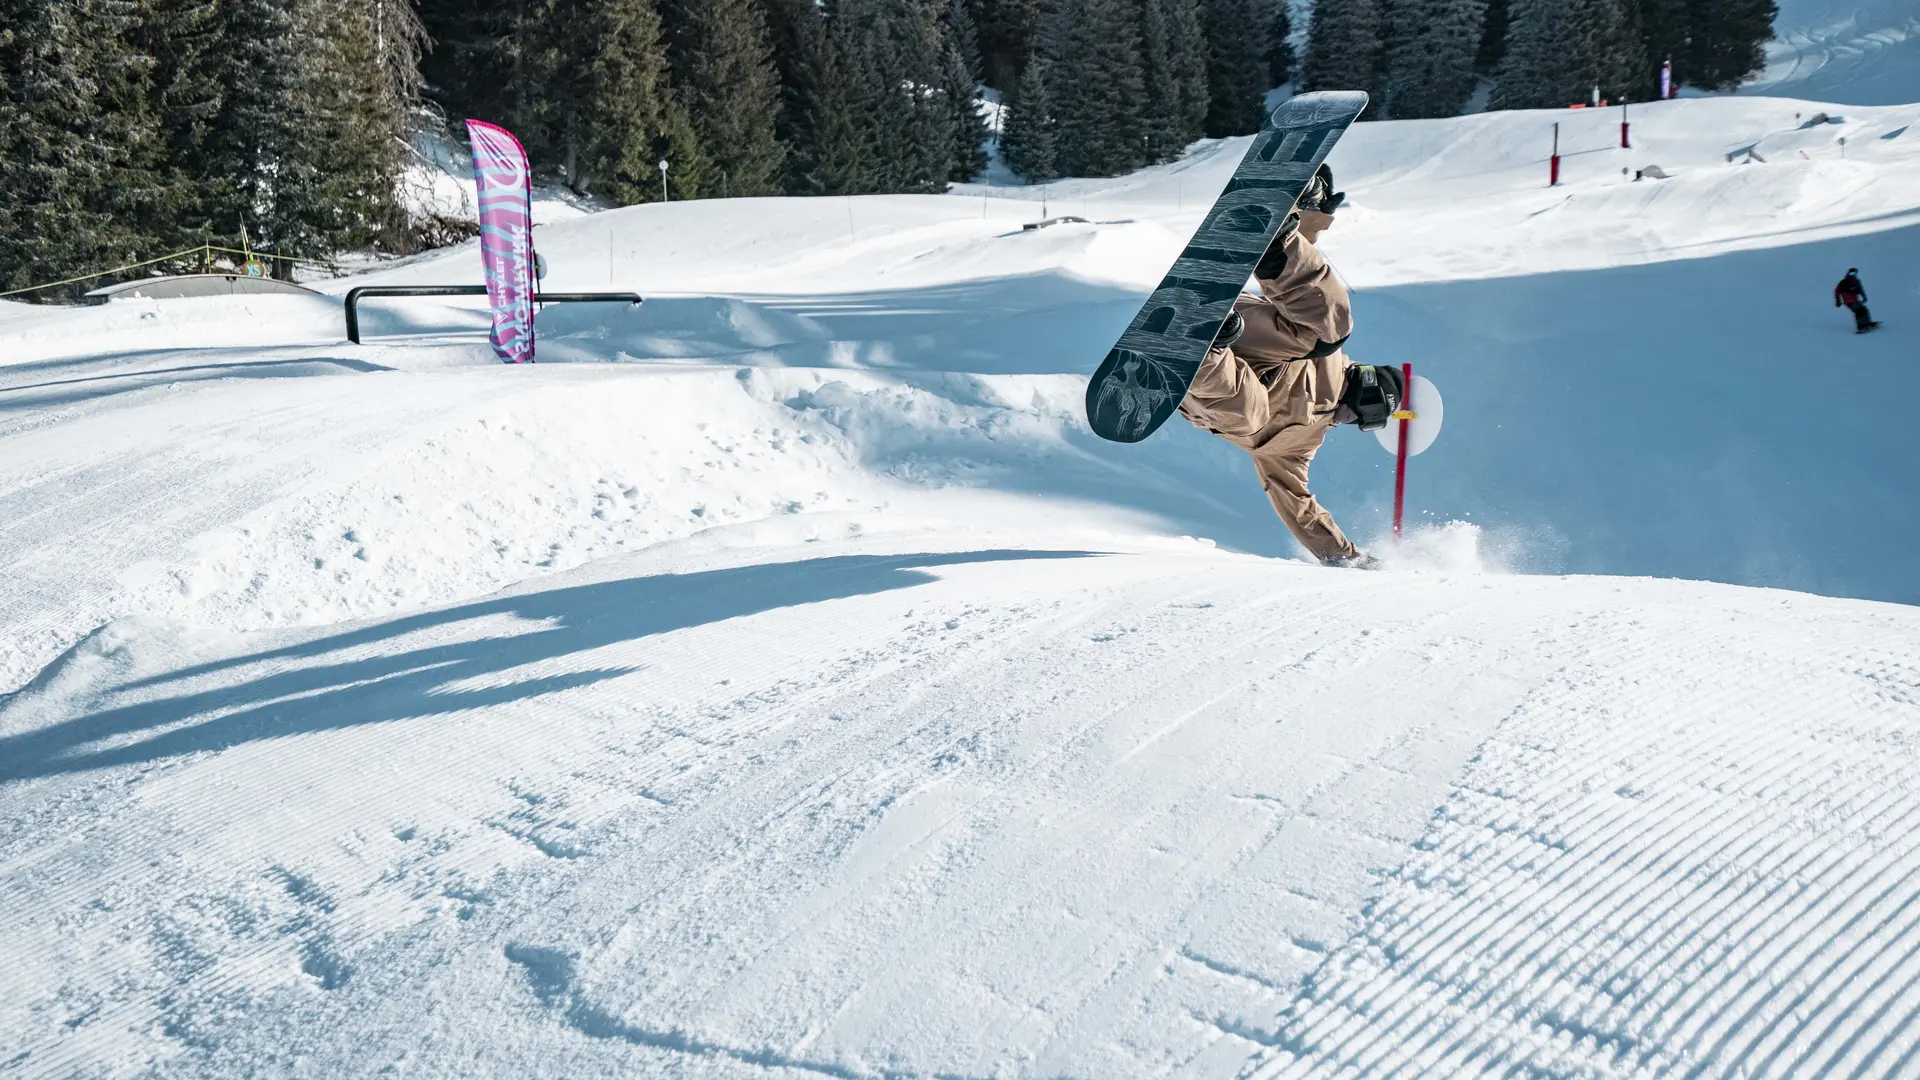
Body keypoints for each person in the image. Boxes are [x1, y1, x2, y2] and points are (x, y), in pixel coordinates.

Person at [1177, 165, 1402, 570]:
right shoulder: (1330, 362)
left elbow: (1299, 506)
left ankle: (1198, 347)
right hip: (1244, 328)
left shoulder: (1299, 446)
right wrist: (1307, 213)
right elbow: (1310, 296)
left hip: (1215, 377)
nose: (1347, 418)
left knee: (1250, 418)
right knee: (1328, 333)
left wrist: (1345, 557)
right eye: (1361, 408)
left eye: (1358, 422)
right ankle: (1274, 241)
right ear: (1361, 383)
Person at [1835, 268, 1877, 333]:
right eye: (1851, 273)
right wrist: (1838, 300)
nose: (1852, 275)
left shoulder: (1856, 281)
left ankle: (1867, 323)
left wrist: (1864, 296)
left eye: (1854, 273)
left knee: (1864, 310)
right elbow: (1837, 291)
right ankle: (1861, 326)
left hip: (1855, 300)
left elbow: (1860, 289)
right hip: (1848, 301)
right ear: (1848, 273)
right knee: (1858, 311)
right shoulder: (1843, 282)